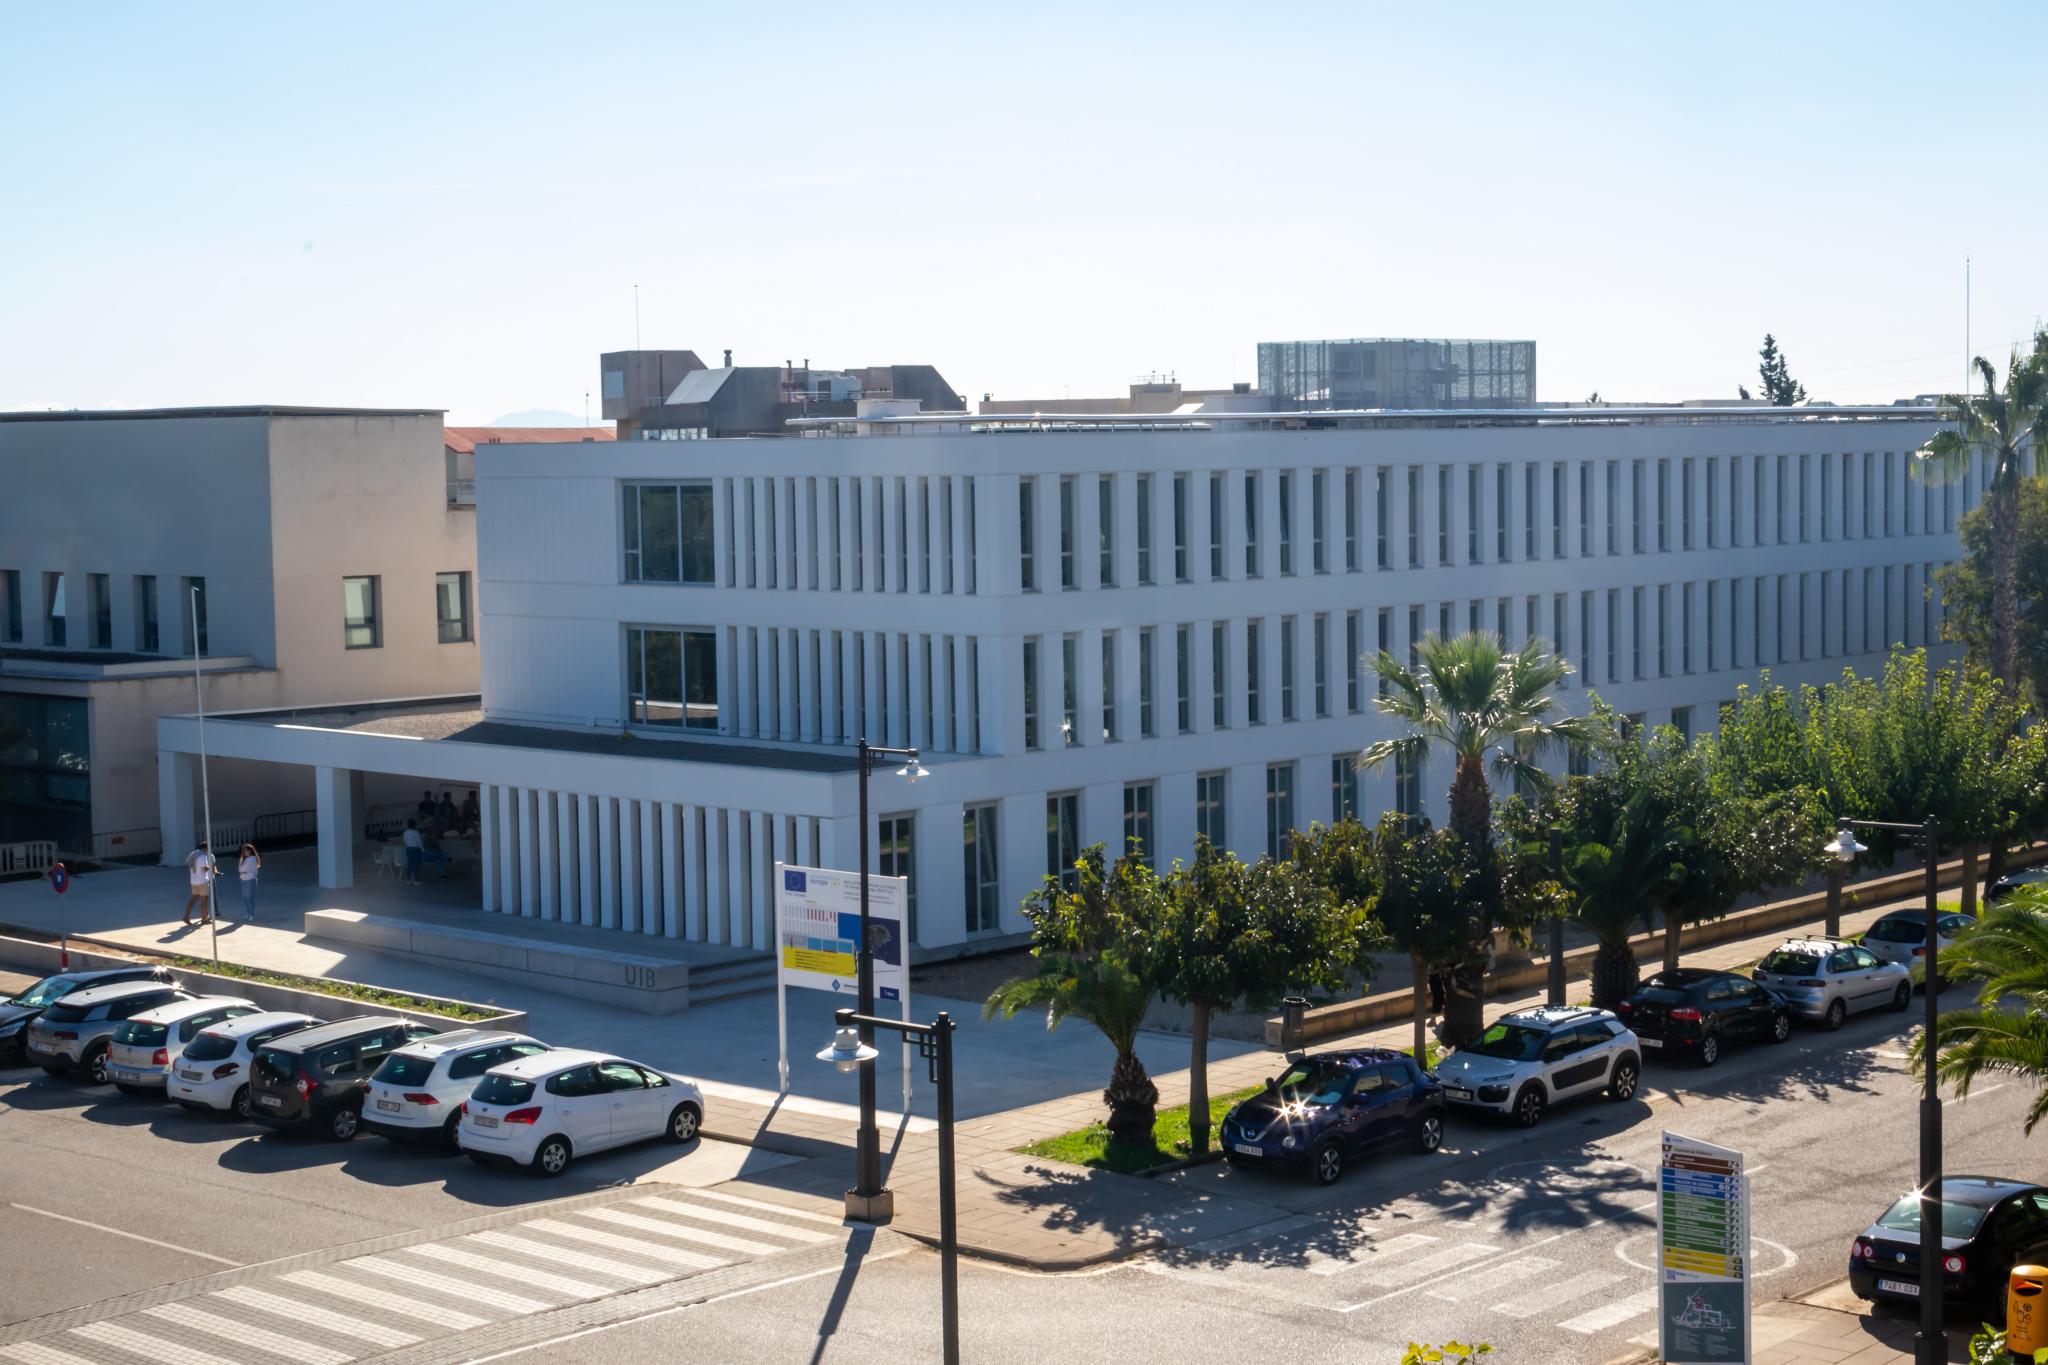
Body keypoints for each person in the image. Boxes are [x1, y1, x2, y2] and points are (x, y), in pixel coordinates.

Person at [182, 842, 217, 925]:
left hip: (194, 881)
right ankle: (204, 919)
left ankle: (186, 916)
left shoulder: (193, 855)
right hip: (202, 881)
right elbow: (205, 869)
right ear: (205, 848)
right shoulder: (202, 856)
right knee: (204, 901)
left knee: (193, 900)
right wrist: (209, 866)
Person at [237, 843, 262, 923]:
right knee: (245, 898)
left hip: (250, 880)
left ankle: (251, 915)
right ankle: (248, 913)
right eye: (244, 851)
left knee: (250, 898)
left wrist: (243, 870)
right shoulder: (244, 859)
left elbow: (245, 868)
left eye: (246, 850)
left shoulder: (252, 858)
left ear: (250, 851)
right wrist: (243, 870)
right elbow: (240, 869)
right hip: (243, 879)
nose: (245, 852)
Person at [402, 820, 425, 886]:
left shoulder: (406, 832)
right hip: (416, 849)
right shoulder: (416, 832)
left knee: (410, 864)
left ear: (408, 825)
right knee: (416, 865)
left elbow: (404, 841)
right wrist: (423, 850)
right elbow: (419, 842)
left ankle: (409, 880)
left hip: (409, 848)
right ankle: (416, 880)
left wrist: (408, 844)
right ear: (415, 825)